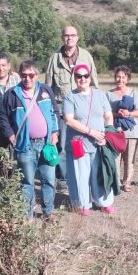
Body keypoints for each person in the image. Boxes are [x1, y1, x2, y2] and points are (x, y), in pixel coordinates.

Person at [0, 60, 59, 218]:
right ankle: (27, 216)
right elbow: (3, 118)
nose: (27, 78)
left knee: (49, 181)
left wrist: (55, 131)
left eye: (31, 75)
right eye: (24, 75)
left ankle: (48, 213)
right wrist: (11, 136)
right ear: (20, 75)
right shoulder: (12, 94)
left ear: (37, 75)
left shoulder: (45, 90)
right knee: (27, 183)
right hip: (25, 146)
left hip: (46, 144)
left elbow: (54, 112)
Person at [45, 25, 99, 188]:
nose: (69, 38)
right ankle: (63, 179)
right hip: (62, 109)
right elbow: (48, 87)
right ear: (62, 37)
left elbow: (95, 83)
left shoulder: (86, 56)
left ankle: (84, 174)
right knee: (62, 144)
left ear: (77, 37)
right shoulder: (54, 58)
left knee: (84, 141)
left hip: (83, 108)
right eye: (66, 35)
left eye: (73, 35)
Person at [63, 63, 115, 215]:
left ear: (90, 77)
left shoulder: (100, 94)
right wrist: (91, 132)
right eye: (79, 76)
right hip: (79, 144)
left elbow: (108, 115)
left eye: (85, 75)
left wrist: (108, 132)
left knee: (100, 173)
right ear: (75, 78)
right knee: (80, 175)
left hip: (100, 142)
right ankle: (82, 204)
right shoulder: (70, 97)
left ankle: (104, 202)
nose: (82, 79)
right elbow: (69, 120)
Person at [106, 65, 138, 193]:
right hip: (115, 131)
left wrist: (128, 114)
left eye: (123, 77)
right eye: (118, 76)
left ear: (127, 78)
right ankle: (115, 181)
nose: (120, 79)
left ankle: (127, 182)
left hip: (131, 131)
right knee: (115, 158)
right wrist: (117, 114)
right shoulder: (109, 94)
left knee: (129, 159)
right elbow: (106, 113)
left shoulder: (133, 92)